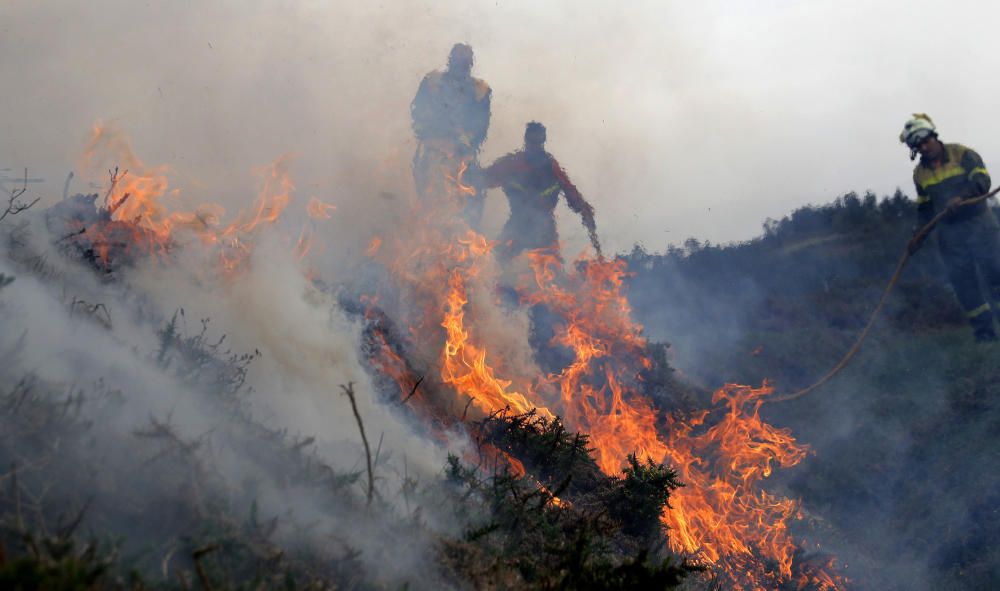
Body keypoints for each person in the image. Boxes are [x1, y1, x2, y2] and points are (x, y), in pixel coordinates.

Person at [902, 113, 1000, 342]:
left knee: (997, 276)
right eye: (918, 145)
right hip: (950, 237)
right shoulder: (920, 174)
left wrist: (961, 197)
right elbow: (925, 209)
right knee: (965, 286)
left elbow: (982, 181)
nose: (924, 147)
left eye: (926, 141)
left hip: (980, 226)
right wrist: (918, 236)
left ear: (934, 136)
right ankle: (985, 336)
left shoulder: (963, 154)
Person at [481, 121, 601, 264]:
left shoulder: (551, 167)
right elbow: (484, 179)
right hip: (518, 224)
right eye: (532, 141)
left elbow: (572, 194)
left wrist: (585, 211)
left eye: (538, 141)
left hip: (544, 228)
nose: (534, 146)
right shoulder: (513, 163)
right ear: (526, 140)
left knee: (552, 272)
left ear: (543, 140)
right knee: (496, 261)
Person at [410, 43, 491, 228]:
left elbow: (481, 128)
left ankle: (464, 245)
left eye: (464, 62)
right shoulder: (432, 83)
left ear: (470, 64)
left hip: (463, 158)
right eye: (457, 61)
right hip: (432, 155)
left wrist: (461, 144)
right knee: (431, 206)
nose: (460, 66)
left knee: (469, 204)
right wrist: (436, 140)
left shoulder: (480, 90)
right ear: (450, 61)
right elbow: (418, 116)